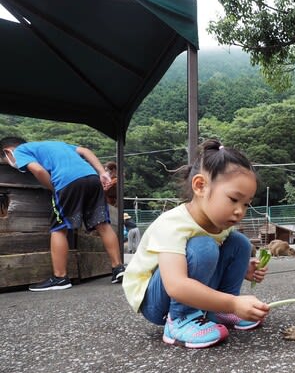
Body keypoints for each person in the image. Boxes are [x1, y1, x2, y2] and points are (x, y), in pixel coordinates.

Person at [121, 139, 270, 349]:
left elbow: (221, 259)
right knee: (203, 246)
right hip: (156, 301)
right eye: (233, 199)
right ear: (200, 186)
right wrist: (234, 303)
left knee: (239, 243)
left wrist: (244, 270)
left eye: (246, 204)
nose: (240, 211)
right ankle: (180, 319)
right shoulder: (173, 225)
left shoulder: (221, 223)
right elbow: (176, 285)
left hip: (186, 287)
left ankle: (219, 312)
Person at [0, 136, 126, 291]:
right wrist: (102, 172)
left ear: (7, 151)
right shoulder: (55, 144)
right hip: (92, 178)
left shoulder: (19, 151)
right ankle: (118, 268)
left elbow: (38, 170)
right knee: (103, 225)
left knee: (59, 229)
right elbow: (85, 151)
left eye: (6, 161)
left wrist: (54, 188)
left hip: (67, 181)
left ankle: (60, 277)